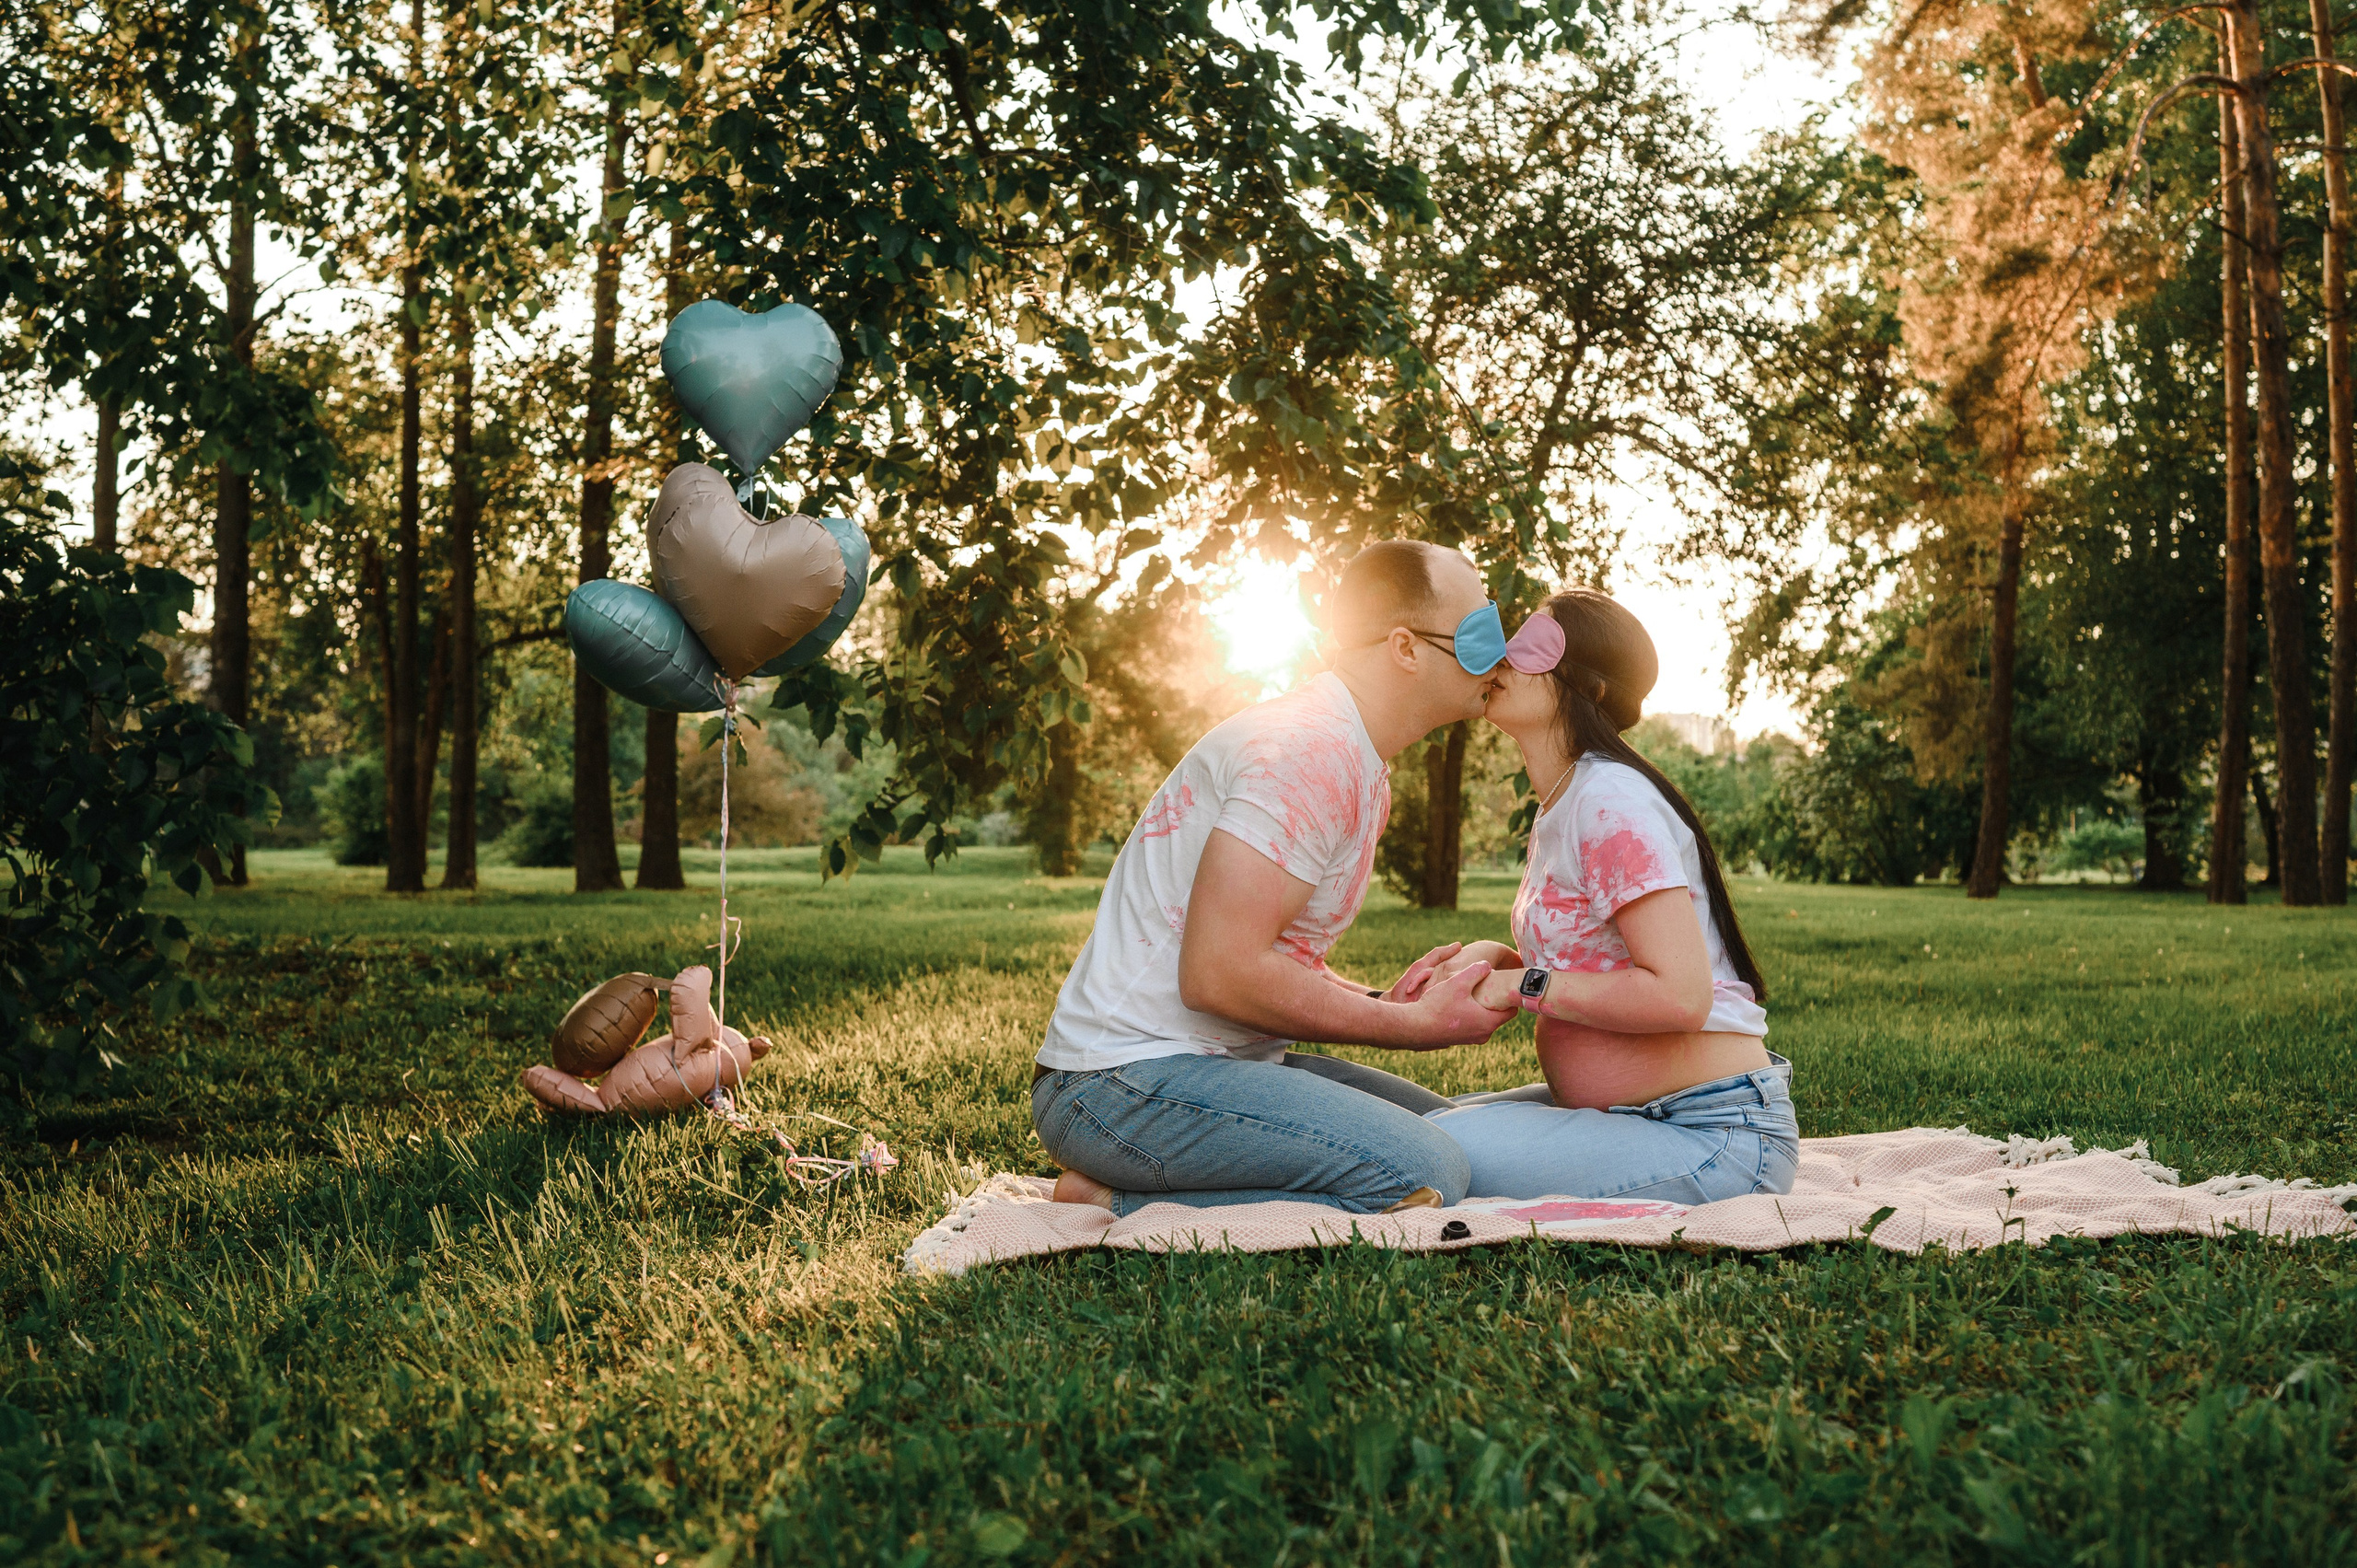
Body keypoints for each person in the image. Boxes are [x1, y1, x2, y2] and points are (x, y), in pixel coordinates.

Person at [1033, 540, 1520, 1216]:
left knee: (1455, 1131)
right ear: (1405, 647)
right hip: (1117, 1084)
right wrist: (1407, 1025)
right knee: (1425, 1167)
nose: (1498, 655)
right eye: (1478, 633)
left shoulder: (1356, 760)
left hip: (1214, 1065)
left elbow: (1272, 954)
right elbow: (1219, 973)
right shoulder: (1310, 751)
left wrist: (1388, 996)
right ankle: (1114, 1200)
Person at [1423, 589, 1800, 1203]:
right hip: (1644, 1116)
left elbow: (1680, 995)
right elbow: (1602, 968)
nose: (1505, 659)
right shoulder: (1565, 802)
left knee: (1415, 1151)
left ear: (1591, 686)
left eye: (1533, 646)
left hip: (1712, 1135)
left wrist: (1525, 986)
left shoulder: (1609, 799)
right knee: (1417, 1129)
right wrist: (1502, 960)